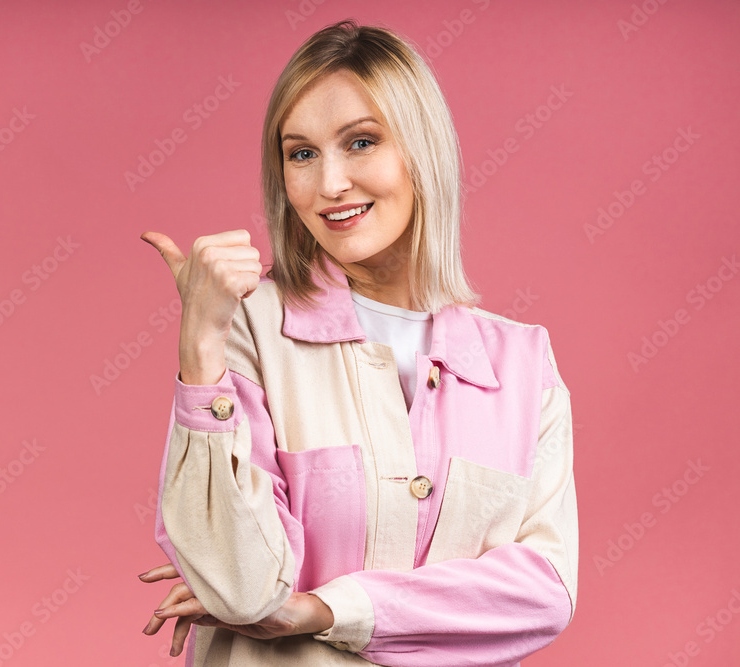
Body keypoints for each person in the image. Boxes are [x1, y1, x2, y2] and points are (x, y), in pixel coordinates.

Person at [138, 18, 578, 667]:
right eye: (302, 153)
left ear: (420, 149)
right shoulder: (251, 325)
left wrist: (325, 609)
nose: (330, 185)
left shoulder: (521, 364)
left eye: (361, 142)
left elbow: (543, 592)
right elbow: (242, 586)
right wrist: (200, 347)